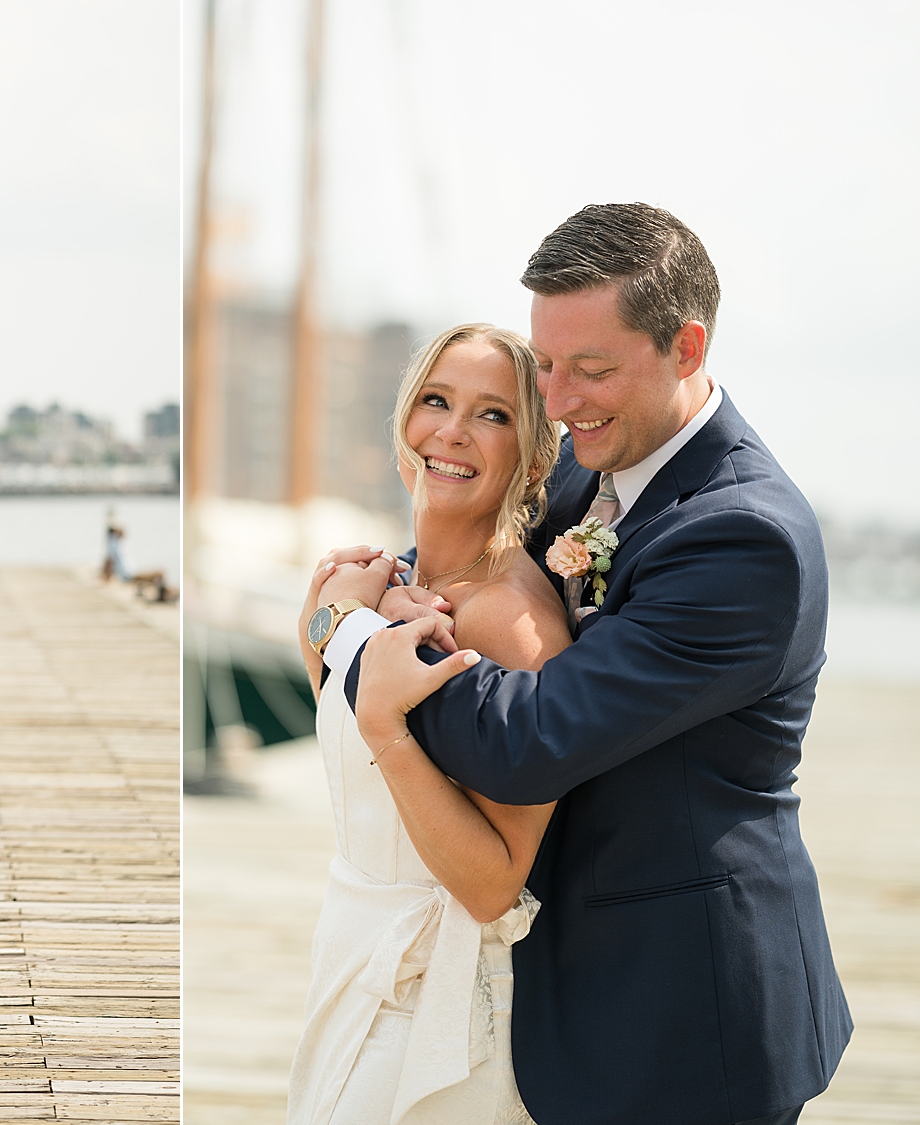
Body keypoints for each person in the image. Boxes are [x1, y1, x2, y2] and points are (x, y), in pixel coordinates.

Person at [312, 204, 851, 1125]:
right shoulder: (587, 470)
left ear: (685, 346)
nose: (557, 403)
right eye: (548, 365)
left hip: (685, 1011)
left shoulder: (743, 538)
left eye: (592, 370)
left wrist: (360, 633)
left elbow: (530, 738)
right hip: (545, 978)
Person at [288, 324, 567, 1124]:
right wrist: (336, 612)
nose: (451, 430)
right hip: (350, 955)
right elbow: (329, 698)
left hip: (437, 1010)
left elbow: (493, 883)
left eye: (493, 415)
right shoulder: (385, 585)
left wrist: (387, 726)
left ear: (536, 459)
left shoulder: (510, 623)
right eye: (437, 401)